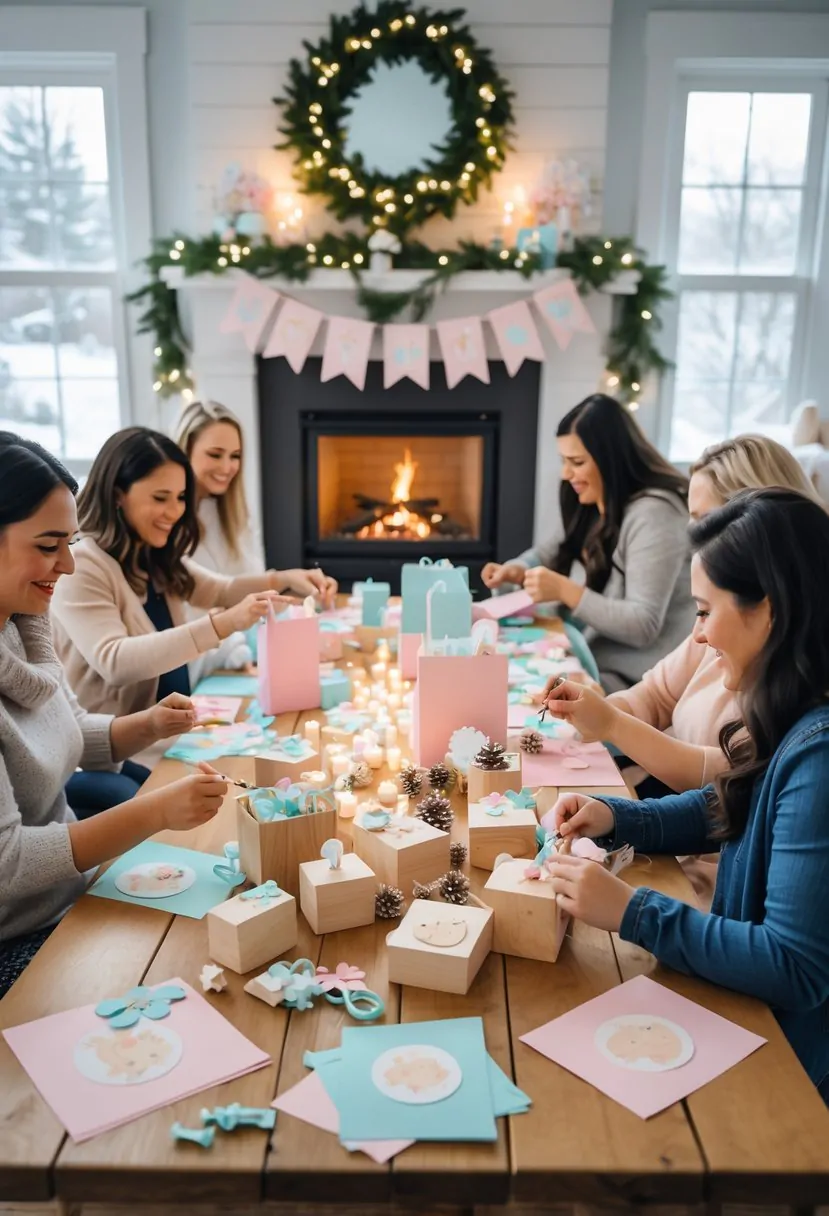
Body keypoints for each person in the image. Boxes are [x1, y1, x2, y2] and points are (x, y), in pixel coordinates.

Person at [545, 488, 829, 1101]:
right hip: (745, 1005)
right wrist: (615, 817)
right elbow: (729, 805)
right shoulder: (789, 707)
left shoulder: (820, 754)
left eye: (704, 611)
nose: (697, 636)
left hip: (789, 1062)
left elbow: (795, 967)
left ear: (768, 612)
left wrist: (632, 912)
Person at [541, 434, 821, 906]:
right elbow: (721, 799)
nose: (698, 632)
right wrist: (602, 724)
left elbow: (724, 781)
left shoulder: (805, 724)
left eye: (705, 521)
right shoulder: (727, 634)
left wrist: (633, 911)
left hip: (705, 887)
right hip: (686, 857)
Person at [0, 433, 228, 997]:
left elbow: (71, 731)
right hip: (22, 938)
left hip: (71, 896)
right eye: (50, 544)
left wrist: (149, 725)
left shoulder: (24, 629)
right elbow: (9, 869)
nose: (70, 564)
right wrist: (155, 812)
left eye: (71, 541)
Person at [50, 427, 331, 728]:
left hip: (176, 728)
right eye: (160, 498)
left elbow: (222, 590)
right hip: (121, 746)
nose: (174, 511)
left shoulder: (150, 552)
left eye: (181, 497)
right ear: (118, 495)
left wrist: (285, 579)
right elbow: (115, 661)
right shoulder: (81, 563)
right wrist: (226, 623)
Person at [482, 394, 694, 691]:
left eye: (577, 462)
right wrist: (518, 569)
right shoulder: (595, 500)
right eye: (564, 461)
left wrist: (565, 591)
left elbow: (643, 624)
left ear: (611, 460)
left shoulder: (655, 514)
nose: (566, 474)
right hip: (593, 654)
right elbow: (551, 549)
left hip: (639, 680)